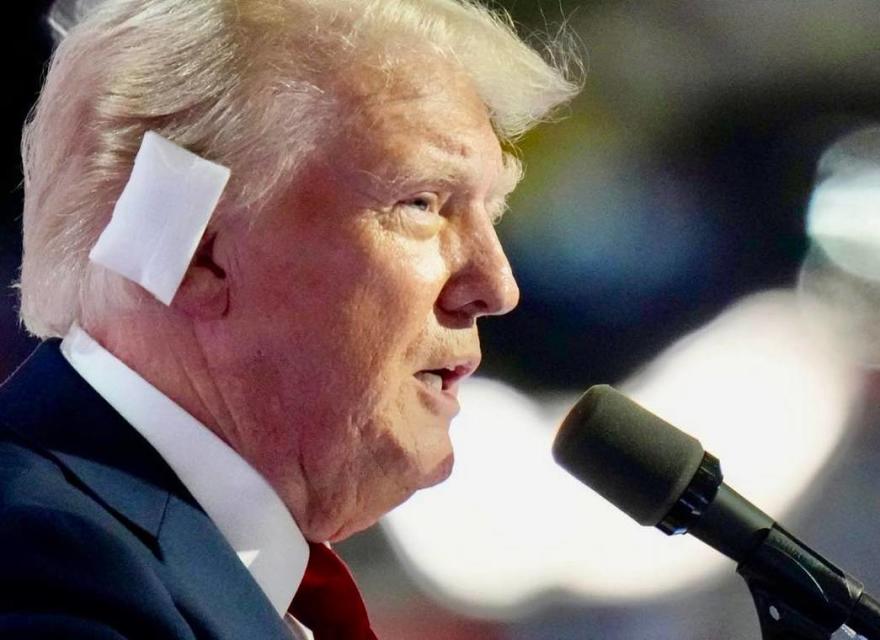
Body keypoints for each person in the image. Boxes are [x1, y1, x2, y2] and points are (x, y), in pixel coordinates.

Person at [0, 0, 579, 637]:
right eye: (421, 202)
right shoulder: (45, 563)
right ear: (201, 254)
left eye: (488, 213)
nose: (496, 287)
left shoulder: (198, 572)